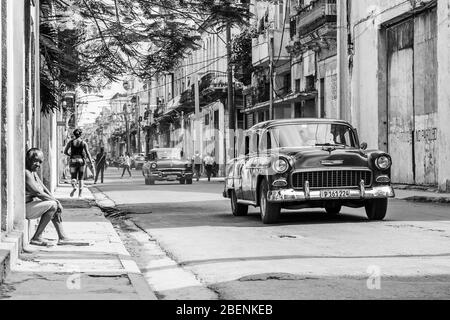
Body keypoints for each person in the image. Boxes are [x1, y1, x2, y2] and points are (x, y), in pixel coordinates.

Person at [25, 148, 74, 246]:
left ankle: (62, 236)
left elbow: (43, 188)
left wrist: (56, 200)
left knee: (54, 204)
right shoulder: (26, 172)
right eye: (36, 161)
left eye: (40, 162)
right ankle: (37, 237)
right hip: (24, 208)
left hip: (30, 205)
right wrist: (56, 203)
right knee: (52, 206)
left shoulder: (33, 172)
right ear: (28, 159)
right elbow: (37, 193)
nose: (38, 164)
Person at [64, 128, 95, 198]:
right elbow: (88, 153)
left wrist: (71, 155)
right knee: (81, 178)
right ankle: (80, 195)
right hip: (81, 161)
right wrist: (91, 162)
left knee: (73, 177)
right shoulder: (83, 143)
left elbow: (65, 152)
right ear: (80, 135)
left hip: (73, 161)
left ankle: (74, 187)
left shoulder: (70, 142)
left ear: (74, 134)